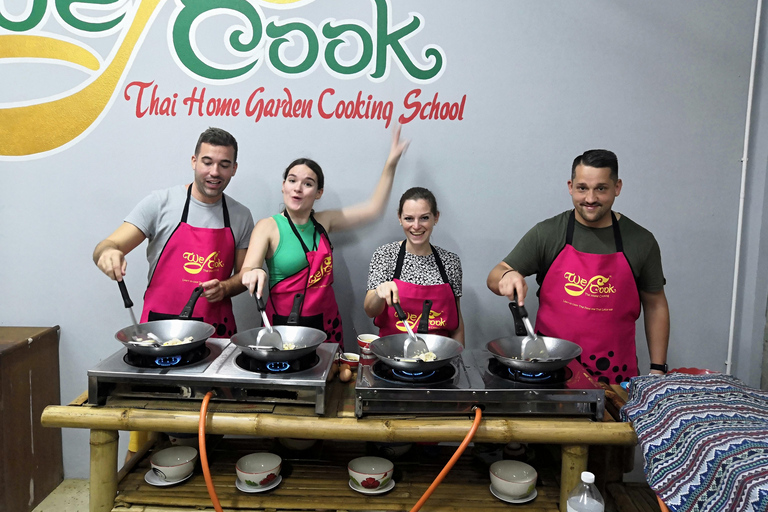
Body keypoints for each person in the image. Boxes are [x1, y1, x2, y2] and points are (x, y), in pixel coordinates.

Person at [93, 127, 254, 460]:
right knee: (148, 424)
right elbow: (108, 244)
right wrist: (107, 254)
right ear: (194, 161)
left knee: (209, 430)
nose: (214, 172)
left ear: (234, 169)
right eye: (207, 162)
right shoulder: (160, 203)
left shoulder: (240, 215)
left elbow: (244, 276)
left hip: (214, 338)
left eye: (224, 165)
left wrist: (225, 286)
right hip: (158, 335)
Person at [486, 149, 669, 384]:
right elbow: (494, 276)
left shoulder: (641, 241)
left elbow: (655, 304)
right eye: (582, 188)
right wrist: (508, 275)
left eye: (601, 188)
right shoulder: (548, 233)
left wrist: (657, 369)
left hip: (615, 377)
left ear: (617, 187)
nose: (590, 198)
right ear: (571, 186)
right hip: (550, 371)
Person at [241, 126, 410, 349]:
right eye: (292, 181)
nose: (298, 188)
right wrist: (253, 273)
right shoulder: (268, 226)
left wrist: (391, 164)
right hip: (283, 328)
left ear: (319, 192)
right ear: (283, 186)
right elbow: (247, 269)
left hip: (326, 325)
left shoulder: (325, 221)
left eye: (308, 183)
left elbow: (373, 209)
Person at [363, 187, 464, 344]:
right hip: (392, 353)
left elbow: (456, 323)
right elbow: (370, 310)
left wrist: (459, 361)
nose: (416, 226)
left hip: (439, 357)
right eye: (409, 218)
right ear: (399, 218)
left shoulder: (450, 261)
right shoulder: (385, 255)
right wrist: (378, 293)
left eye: (424, 218)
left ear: (436, 217)